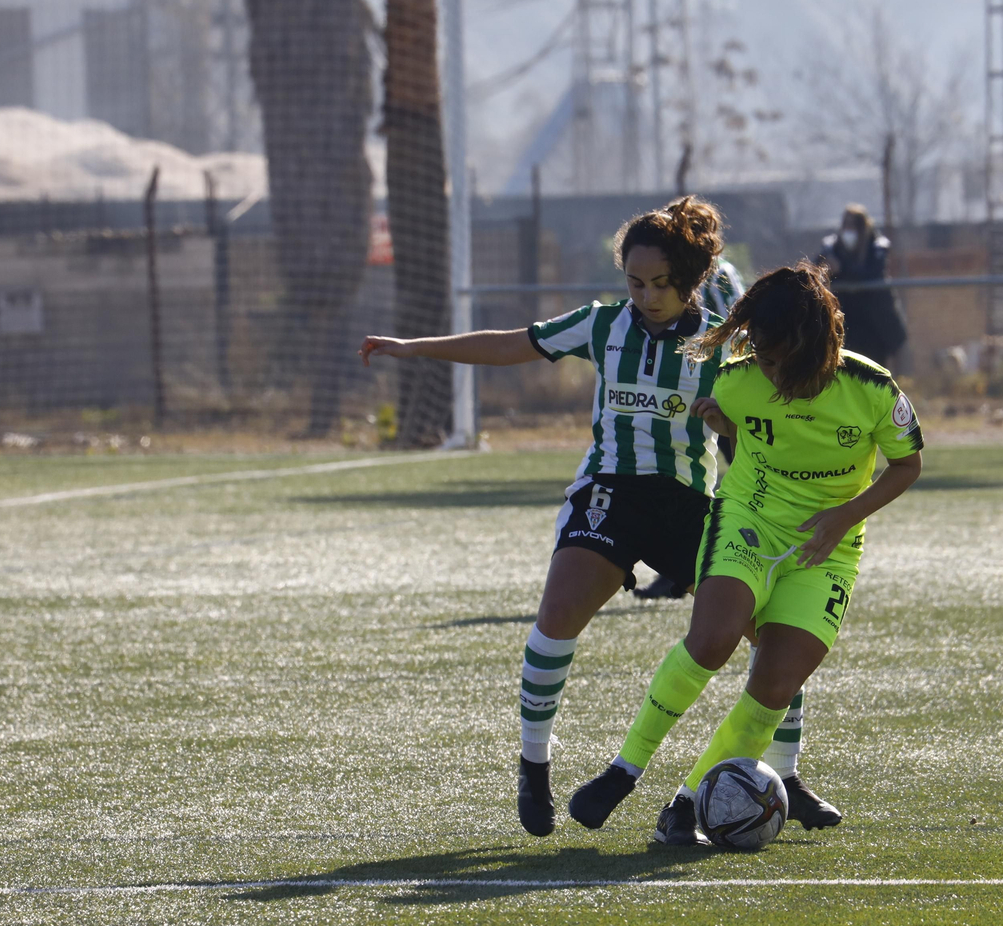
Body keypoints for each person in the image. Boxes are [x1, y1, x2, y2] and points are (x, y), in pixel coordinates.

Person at [358, 198, 842, 839]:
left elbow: (770, 412)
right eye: (635, 283)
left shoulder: (725, 342)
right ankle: (534, 767)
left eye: (660, 284)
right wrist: (414, 348)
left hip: (693, 505)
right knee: (556, 618)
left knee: (772, 643)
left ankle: (788, 774)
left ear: (692, 278)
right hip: (610, 492)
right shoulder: (600, 325)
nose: (645, 296)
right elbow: (514, 344)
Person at [567, 262, 924, 845]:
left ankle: (685, 804)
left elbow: (907, 464)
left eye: (783, 358)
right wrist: (727, 426)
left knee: (776, 685)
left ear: (822, 343)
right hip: (748, 522)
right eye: (763, 356)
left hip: (826, 549)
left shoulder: (874, 389)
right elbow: (751, 431)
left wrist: (841, 517)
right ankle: (622, 771)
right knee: (711, 641)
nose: (773, 371)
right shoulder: (735, 378)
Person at [632, 255, 745, 602]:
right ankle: (676, 571)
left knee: (746, 473)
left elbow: (739, 326)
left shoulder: (718, 274)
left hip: (722, 383)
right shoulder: (674, 274)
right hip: (688, 388)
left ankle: (743, 562)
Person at [817, 205, 909, 369]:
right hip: (845, 320)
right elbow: (816, 266)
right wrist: (826, 266)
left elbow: (871, 273)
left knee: (873, 370)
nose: (848, 231)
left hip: (874, 324)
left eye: (853, 226)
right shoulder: (832, 247)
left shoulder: (876, 247)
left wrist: (842, 268)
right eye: (846, 225)